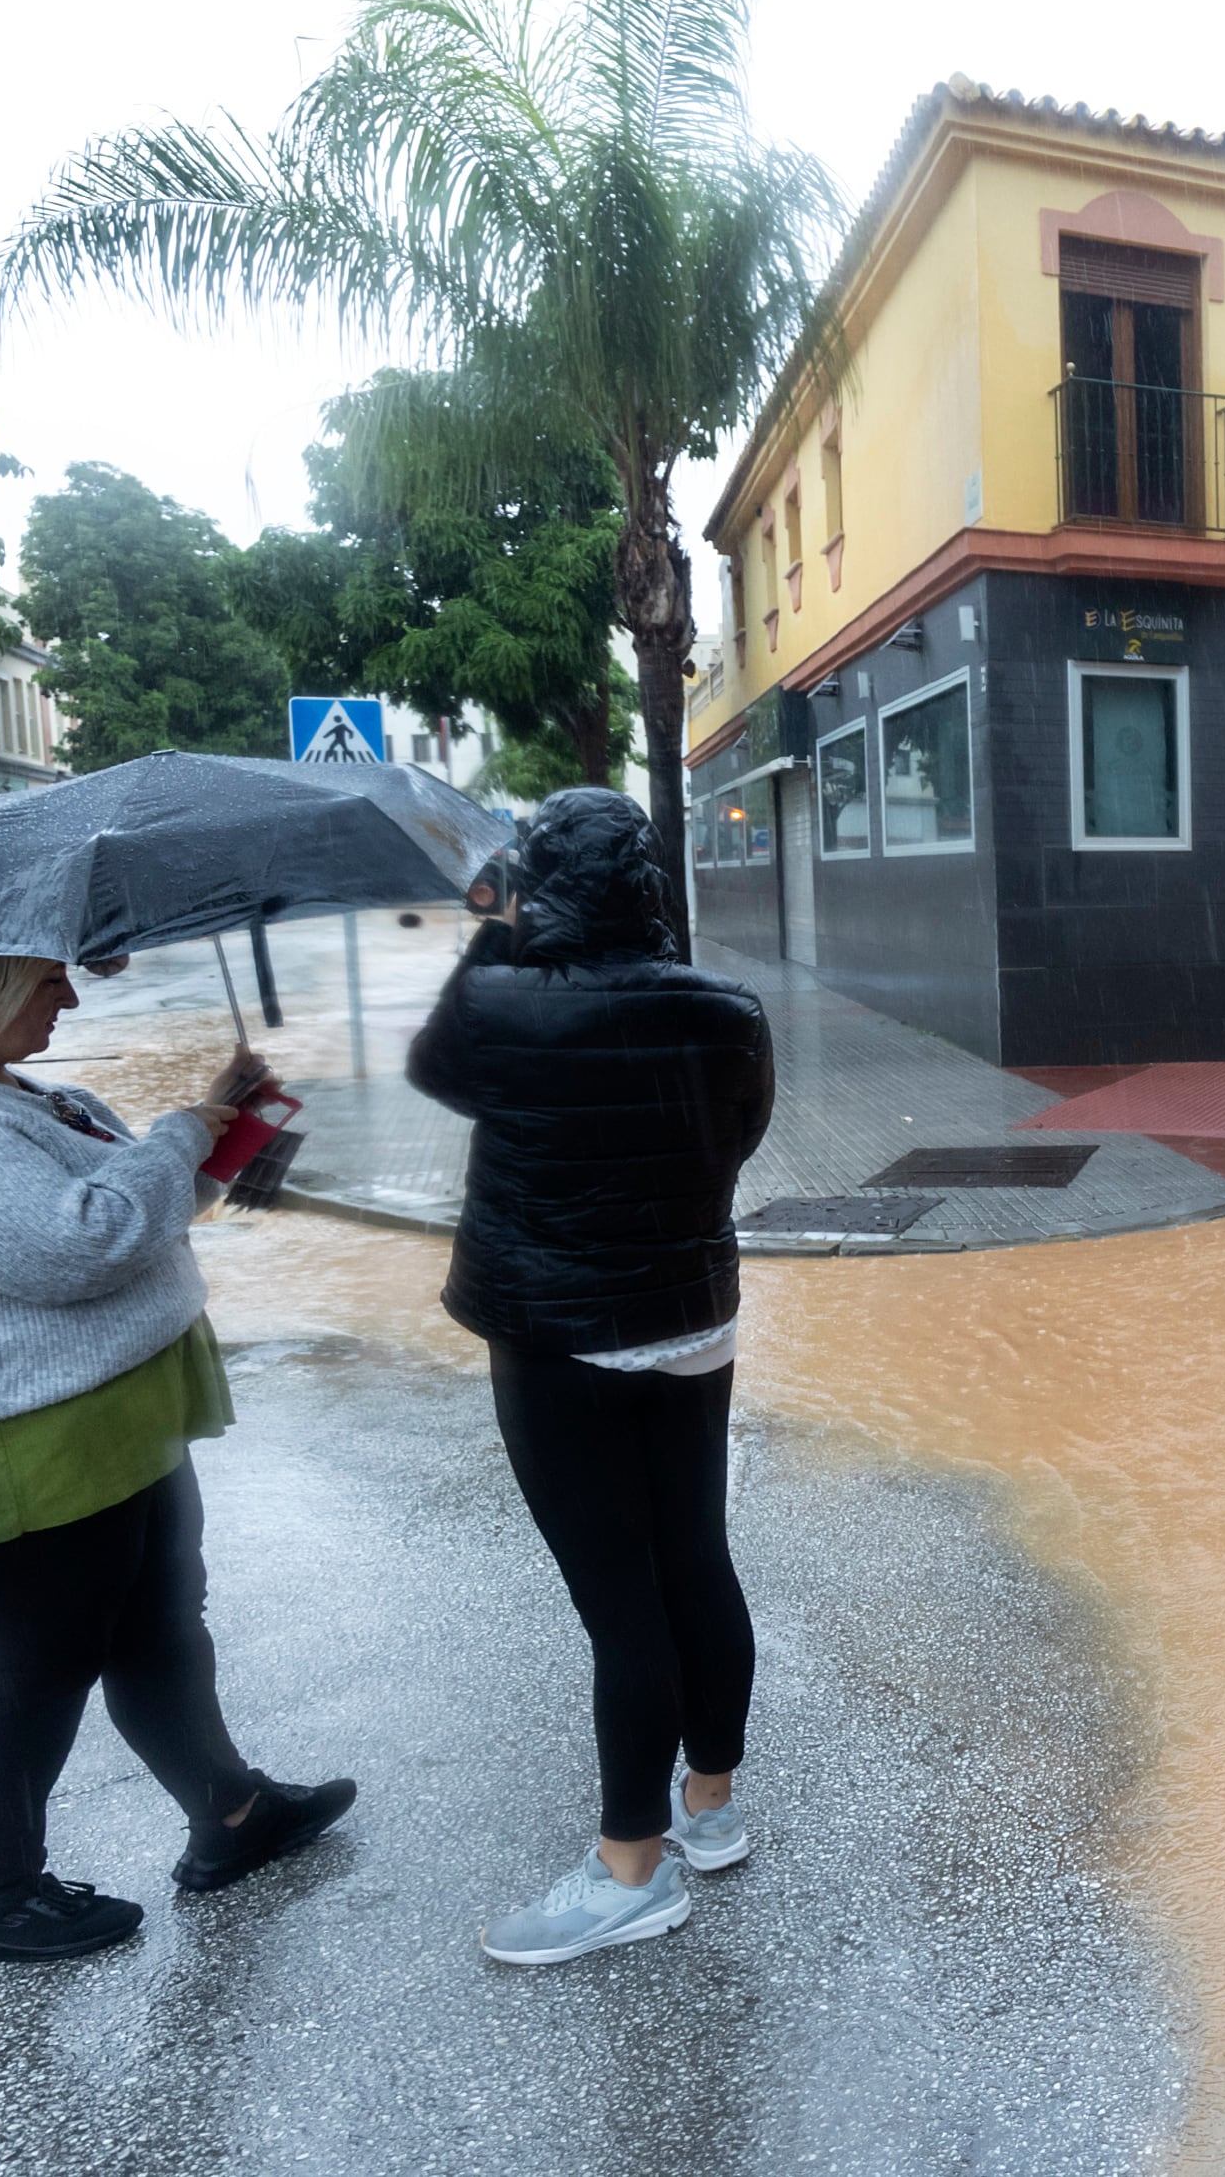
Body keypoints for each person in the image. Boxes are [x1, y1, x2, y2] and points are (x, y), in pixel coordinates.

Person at [0, 951, 355, 1968]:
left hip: (105, 1418)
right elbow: (78, 1247)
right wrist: (176, 1135)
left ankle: (232, 1812)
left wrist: (224, 1120)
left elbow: (150, 1208)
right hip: (7, 1440)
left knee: (158, 1624)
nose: (68, 998)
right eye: (43, 981)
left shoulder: (13, 1090)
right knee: (41, 1664)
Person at [407, 788, 775, 1967]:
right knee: (696, 1559)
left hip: (558, 1340)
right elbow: (741, 1134)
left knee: (621, 1603)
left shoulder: (494, 1002)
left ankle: (630, 1873)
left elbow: (434, 1071)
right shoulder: (729, 1012)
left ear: (540, 884)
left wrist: (498, 921)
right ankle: (705, 1809)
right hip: (690, 1324)